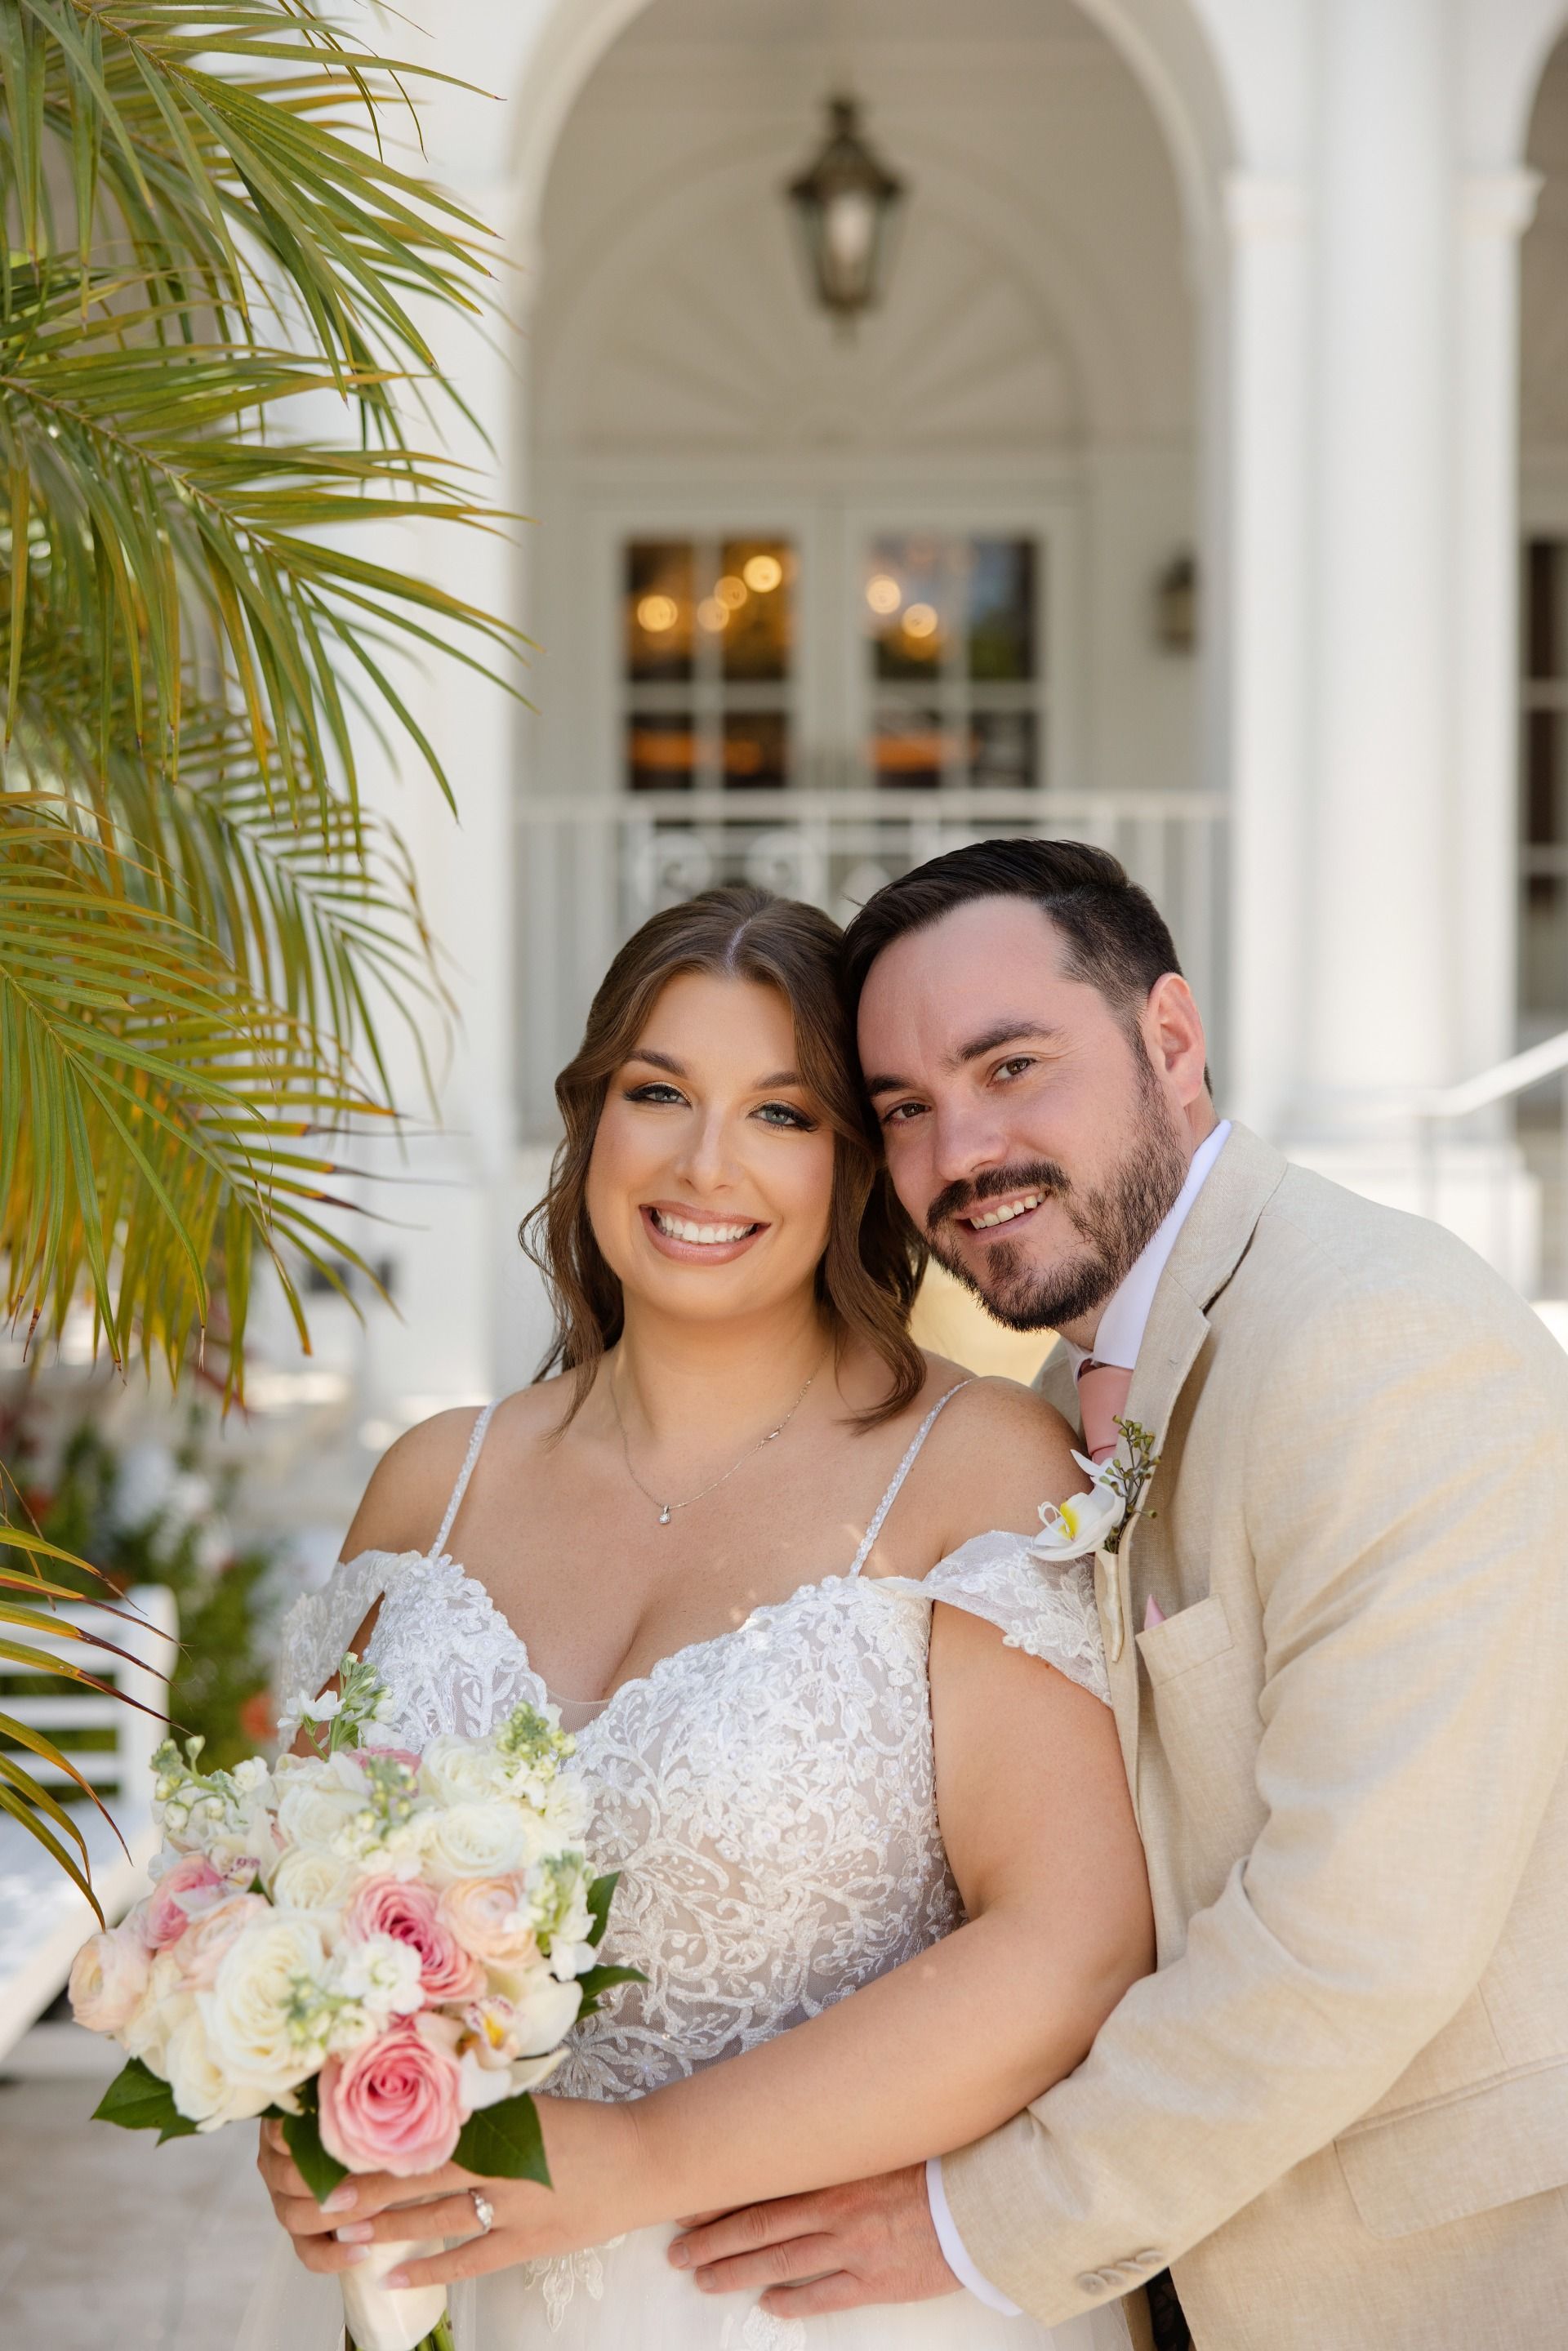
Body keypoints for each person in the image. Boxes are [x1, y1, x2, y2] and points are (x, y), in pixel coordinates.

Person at [673, 839, 1568, 2351]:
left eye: (1011, 1066)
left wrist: (979, 2219)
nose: (960, 1152)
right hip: (1170, 2284)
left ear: (1171, 1037)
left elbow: (1360, 1933)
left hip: (1428, 2290)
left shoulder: (1379, 1336)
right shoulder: (1040, 1403)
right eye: (904, 1110)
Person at [246, 884, 1152, 2350]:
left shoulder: (975, 1469)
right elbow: (296, 1924)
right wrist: (297, 2115)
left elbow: (1072, 1944)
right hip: (468, 2308)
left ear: (857, 1165)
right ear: (593, 1118)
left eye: (784, 1114)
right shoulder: (434, 1479)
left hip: (823, 2312)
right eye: (659, 1092)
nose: (707, 1162)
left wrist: (641, 2163)